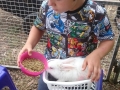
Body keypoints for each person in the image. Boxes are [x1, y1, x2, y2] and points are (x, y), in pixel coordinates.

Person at [17, 0, 115, 90]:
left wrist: (96, 55)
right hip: (51, 66)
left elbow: (108, 39)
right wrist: (29, 43)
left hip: (80, 71)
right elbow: (38, 27)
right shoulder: (46, 6)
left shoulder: (96, 12)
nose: (50, 3)